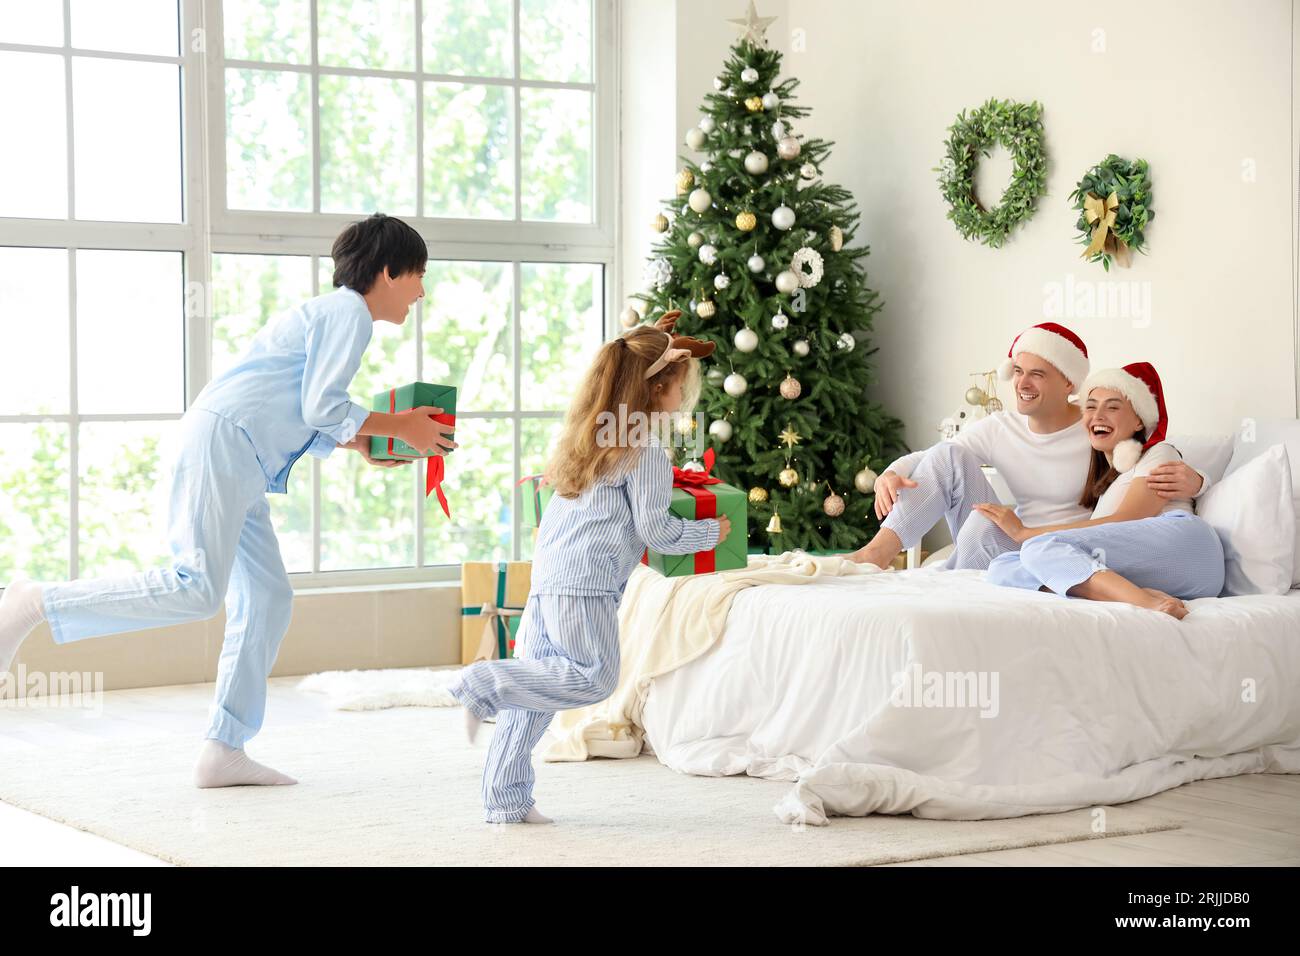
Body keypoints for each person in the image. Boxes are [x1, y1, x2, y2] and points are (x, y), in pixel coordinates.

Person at [0, 213, 455, 787]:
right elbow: (321, 406)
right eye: (419, 275)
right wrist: (400, 425)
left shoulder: (332, 314)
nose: (421, 291)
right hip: (226, 446)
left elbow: (301, 401)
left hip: (242, 455)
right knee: (195, 588)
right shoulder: (349, 313)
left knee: (267, 597)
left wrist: (364, 439)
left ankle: (224, 748)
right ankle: (36, 601)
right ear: (389, 272)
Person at [446, 311, 730, 824]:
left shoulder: (593, 437)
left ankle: (505, 799)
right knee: (593, 679)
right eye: (682, 385)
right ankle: (481, 683)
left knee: (535, 691)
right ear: (658, 387)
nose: (686, 396)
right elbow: (657, 532)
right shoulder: (644, 449)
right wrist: (713, 532)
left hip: (551, 577)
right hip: (586, 583)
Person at [848, 322, 1208, 570]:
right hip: (1010, 537)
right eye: (1018, 371)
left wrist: (1199, 481)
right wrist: (892, 472)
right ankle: (877, 553)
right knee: (949, 455)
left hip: (1053, 550)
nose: (1023, 382)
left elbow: (1150, 450)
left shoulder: (1096, 424)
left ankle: (946, 583)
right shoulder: (1002, 426)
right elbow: (935, 459)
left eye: (1037, 373)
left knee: (981, 525)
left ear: (1069, 382)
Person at [978, 362, 1225, 619]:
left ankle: (1147, 603)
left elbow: (1129, 519)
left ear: (1139, 420)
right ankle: (1133, 592)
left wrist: (1025, 533)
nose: (1097, 416)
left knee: (1036, 548)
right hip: (1175, 576)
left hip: (1189, 546)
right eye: (1091, 406)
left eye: (1113, 407)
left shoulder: (1158, 453)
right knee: (1002, 567)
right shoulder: (1109, 486)